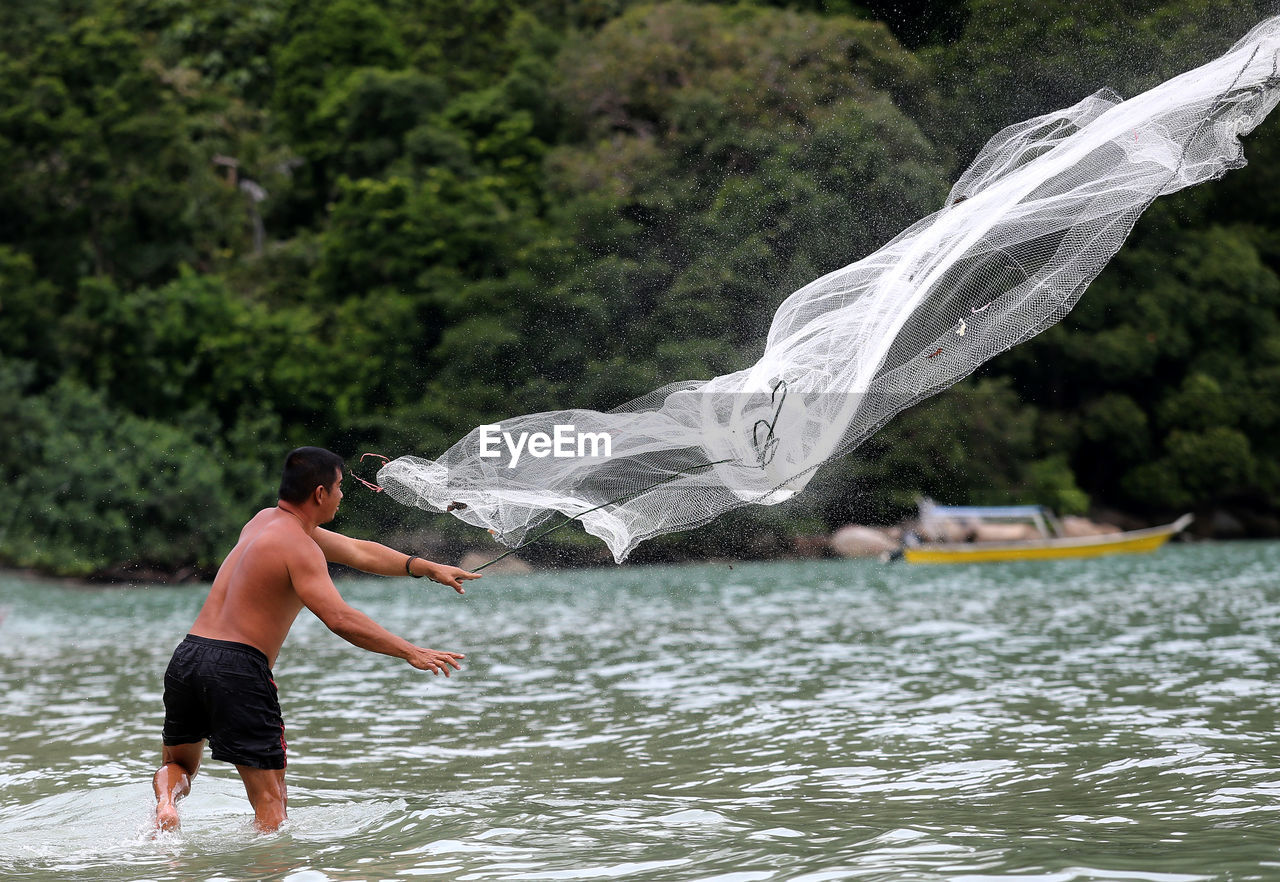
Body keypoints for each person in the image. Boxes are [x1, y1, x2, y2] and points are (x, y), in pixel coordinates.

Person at [152, 446, 480, 833]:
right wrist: (411, 651)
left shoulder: (262, 522)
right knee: (272, 801)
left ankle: (166, 804)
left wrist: (425, 567)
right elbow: (340, 619)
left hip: (188, 658)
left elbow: (358, 551)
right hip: (238, 668)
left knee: (180, 764)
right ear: (320, 493)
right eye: (340, 487)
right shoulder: (300, 547)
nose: (343, 496)